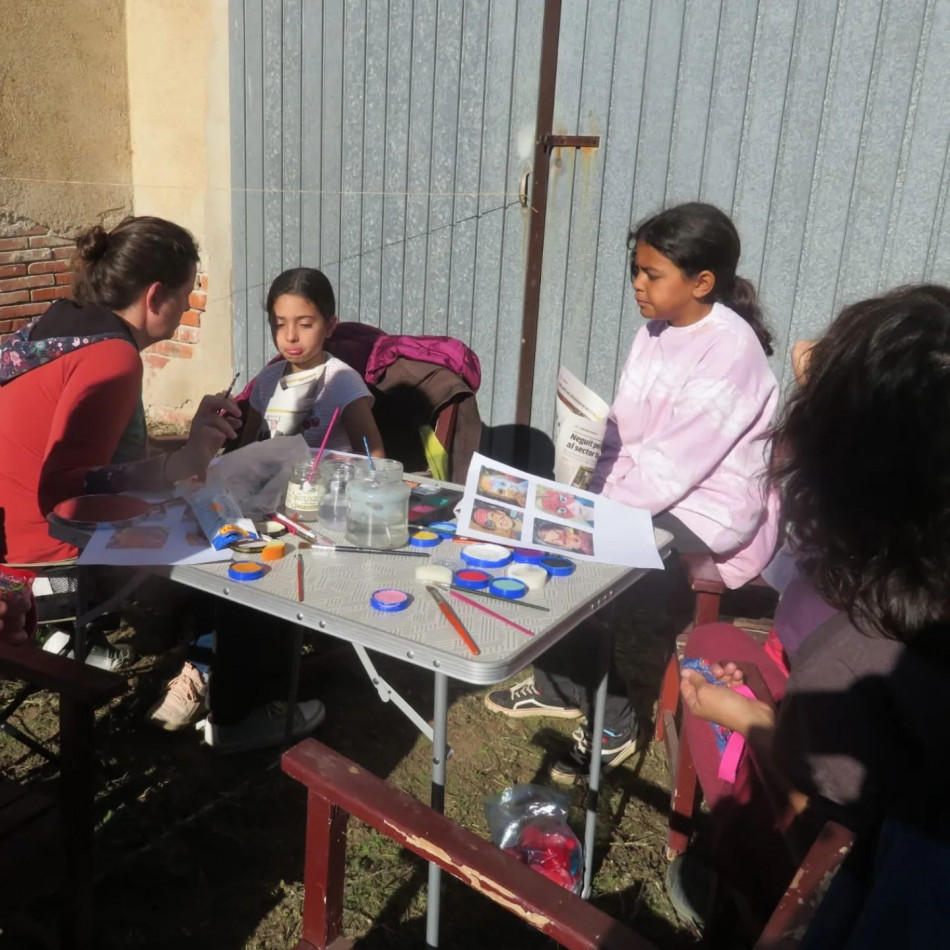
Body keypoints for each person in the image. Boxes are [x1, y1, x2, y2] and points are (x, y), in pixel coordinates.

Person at [672, 285, 950, 942]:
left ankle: (736, 895)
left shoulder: (859, 665)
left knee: (710, 666)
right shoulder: (916, 609)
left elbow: (821, 850)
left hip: (831, 897)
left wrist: (749, 719)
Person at [486, 202, 780, 783]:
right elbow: (624, 431)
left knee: (585, 565)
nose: (637, 286)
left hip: (706, 505)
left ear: (702, 283)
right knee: (545, 531)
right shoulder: (655, 331)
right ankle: (562, 682)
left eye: (651, 274)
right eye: (636, 271)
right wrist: (581, 474)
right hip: (646, 489)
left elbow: (678, 466)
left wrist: (589, 512)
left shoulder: (730, 350)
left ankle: (614, 721)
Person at [0, 216, 241, 671]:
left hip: (9, 532)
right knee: (215, 551)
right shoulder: (114, 359)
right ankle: (209, 681)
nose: (188, 307)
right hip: (36, 562)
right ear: (155, 296)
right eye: (185, 295)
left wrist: (183, 450)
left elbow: (103, 456)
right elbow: (67, 491)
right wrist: (184, 462)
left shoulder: (64, 329)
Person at [246, 267, 384, 455]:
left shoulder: (342, 381)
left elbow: (373, 457)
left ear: (329, 326)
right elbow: (246, 449)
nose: (291, 336)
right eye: (279, 324)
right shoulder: (266, 380)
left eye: (305, 325)